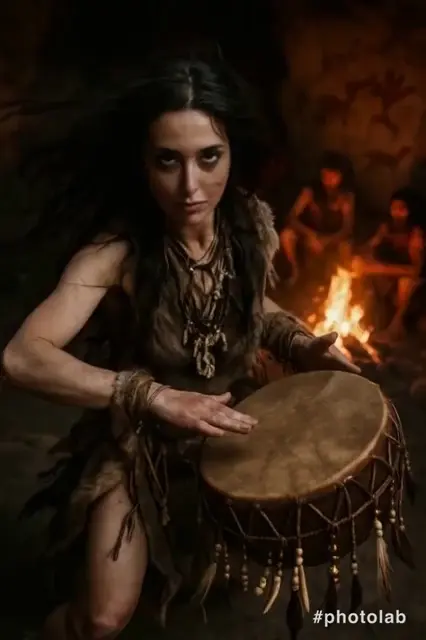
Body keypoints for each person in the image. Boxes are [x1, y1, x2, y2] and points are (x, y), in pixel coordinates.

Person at [1, 51, 359, 640]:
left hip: (226, 432)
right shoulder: (115, 253)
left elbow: (250, 304)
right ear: (143, 162)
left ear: (232, 153)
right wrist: (153, 396)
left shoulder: (247, 224)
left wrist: (297, 339)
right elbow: (20, 357)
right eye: (168, 160)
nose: (191, 187)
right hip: (142, 448)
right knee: (101, 619)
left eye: (209, 157)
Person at [353, 188, 424, 340]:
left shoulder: (415, 235)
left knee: (405, 284)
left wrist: (376, 269)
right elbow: (370, 246)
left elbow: (415, 271)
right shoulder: (386, 227)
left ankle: (394, 330)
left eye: (401, 209)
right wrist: (360, 256)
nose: (396, 213)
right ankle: (361, 321)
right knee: (360, 270)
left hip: (412, 279)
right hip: (390, 272)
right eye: (394, 208)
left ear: (409, 211)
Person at [279, 152, 355, 283]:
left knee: (346, 246)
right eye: (325, 175)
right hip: (310, 233)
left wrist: (327, 240)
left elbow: (347, 228)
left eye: (333, 176)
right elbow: (291, 217)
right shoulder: (310, 192)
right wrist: (310, 234)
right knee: (286, 235)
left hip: (332, 237)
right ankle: (295, 272)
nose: (328, 180)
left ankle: (339, 282)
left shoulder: (346, 197)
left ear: (342, 177)